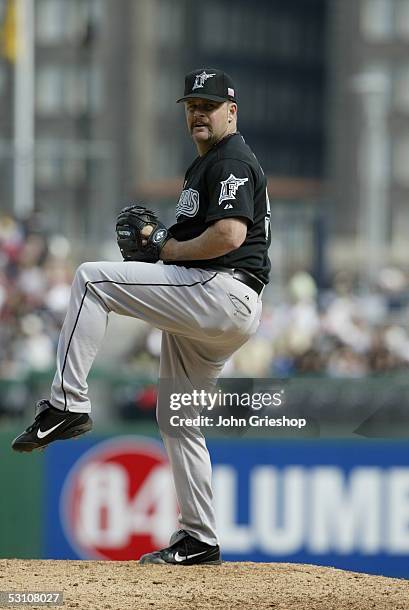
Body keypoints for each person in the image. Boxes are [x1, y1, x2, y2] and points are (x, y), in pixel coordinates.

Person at [12, 68, 271, 565]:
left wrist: (165, 248)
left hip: (221, 292)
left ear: (231, 112)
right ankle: (200, 539)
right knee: (177, 418)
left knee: (91, 279)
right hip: (219, 309)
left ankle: (66, 404)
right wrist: (161, 244)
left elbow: (230, 237)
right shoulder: (207, 163)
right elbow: (192, 241)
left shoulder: (231, 158)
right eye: (192, 105)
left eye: (209, 105)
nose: (198, 112)